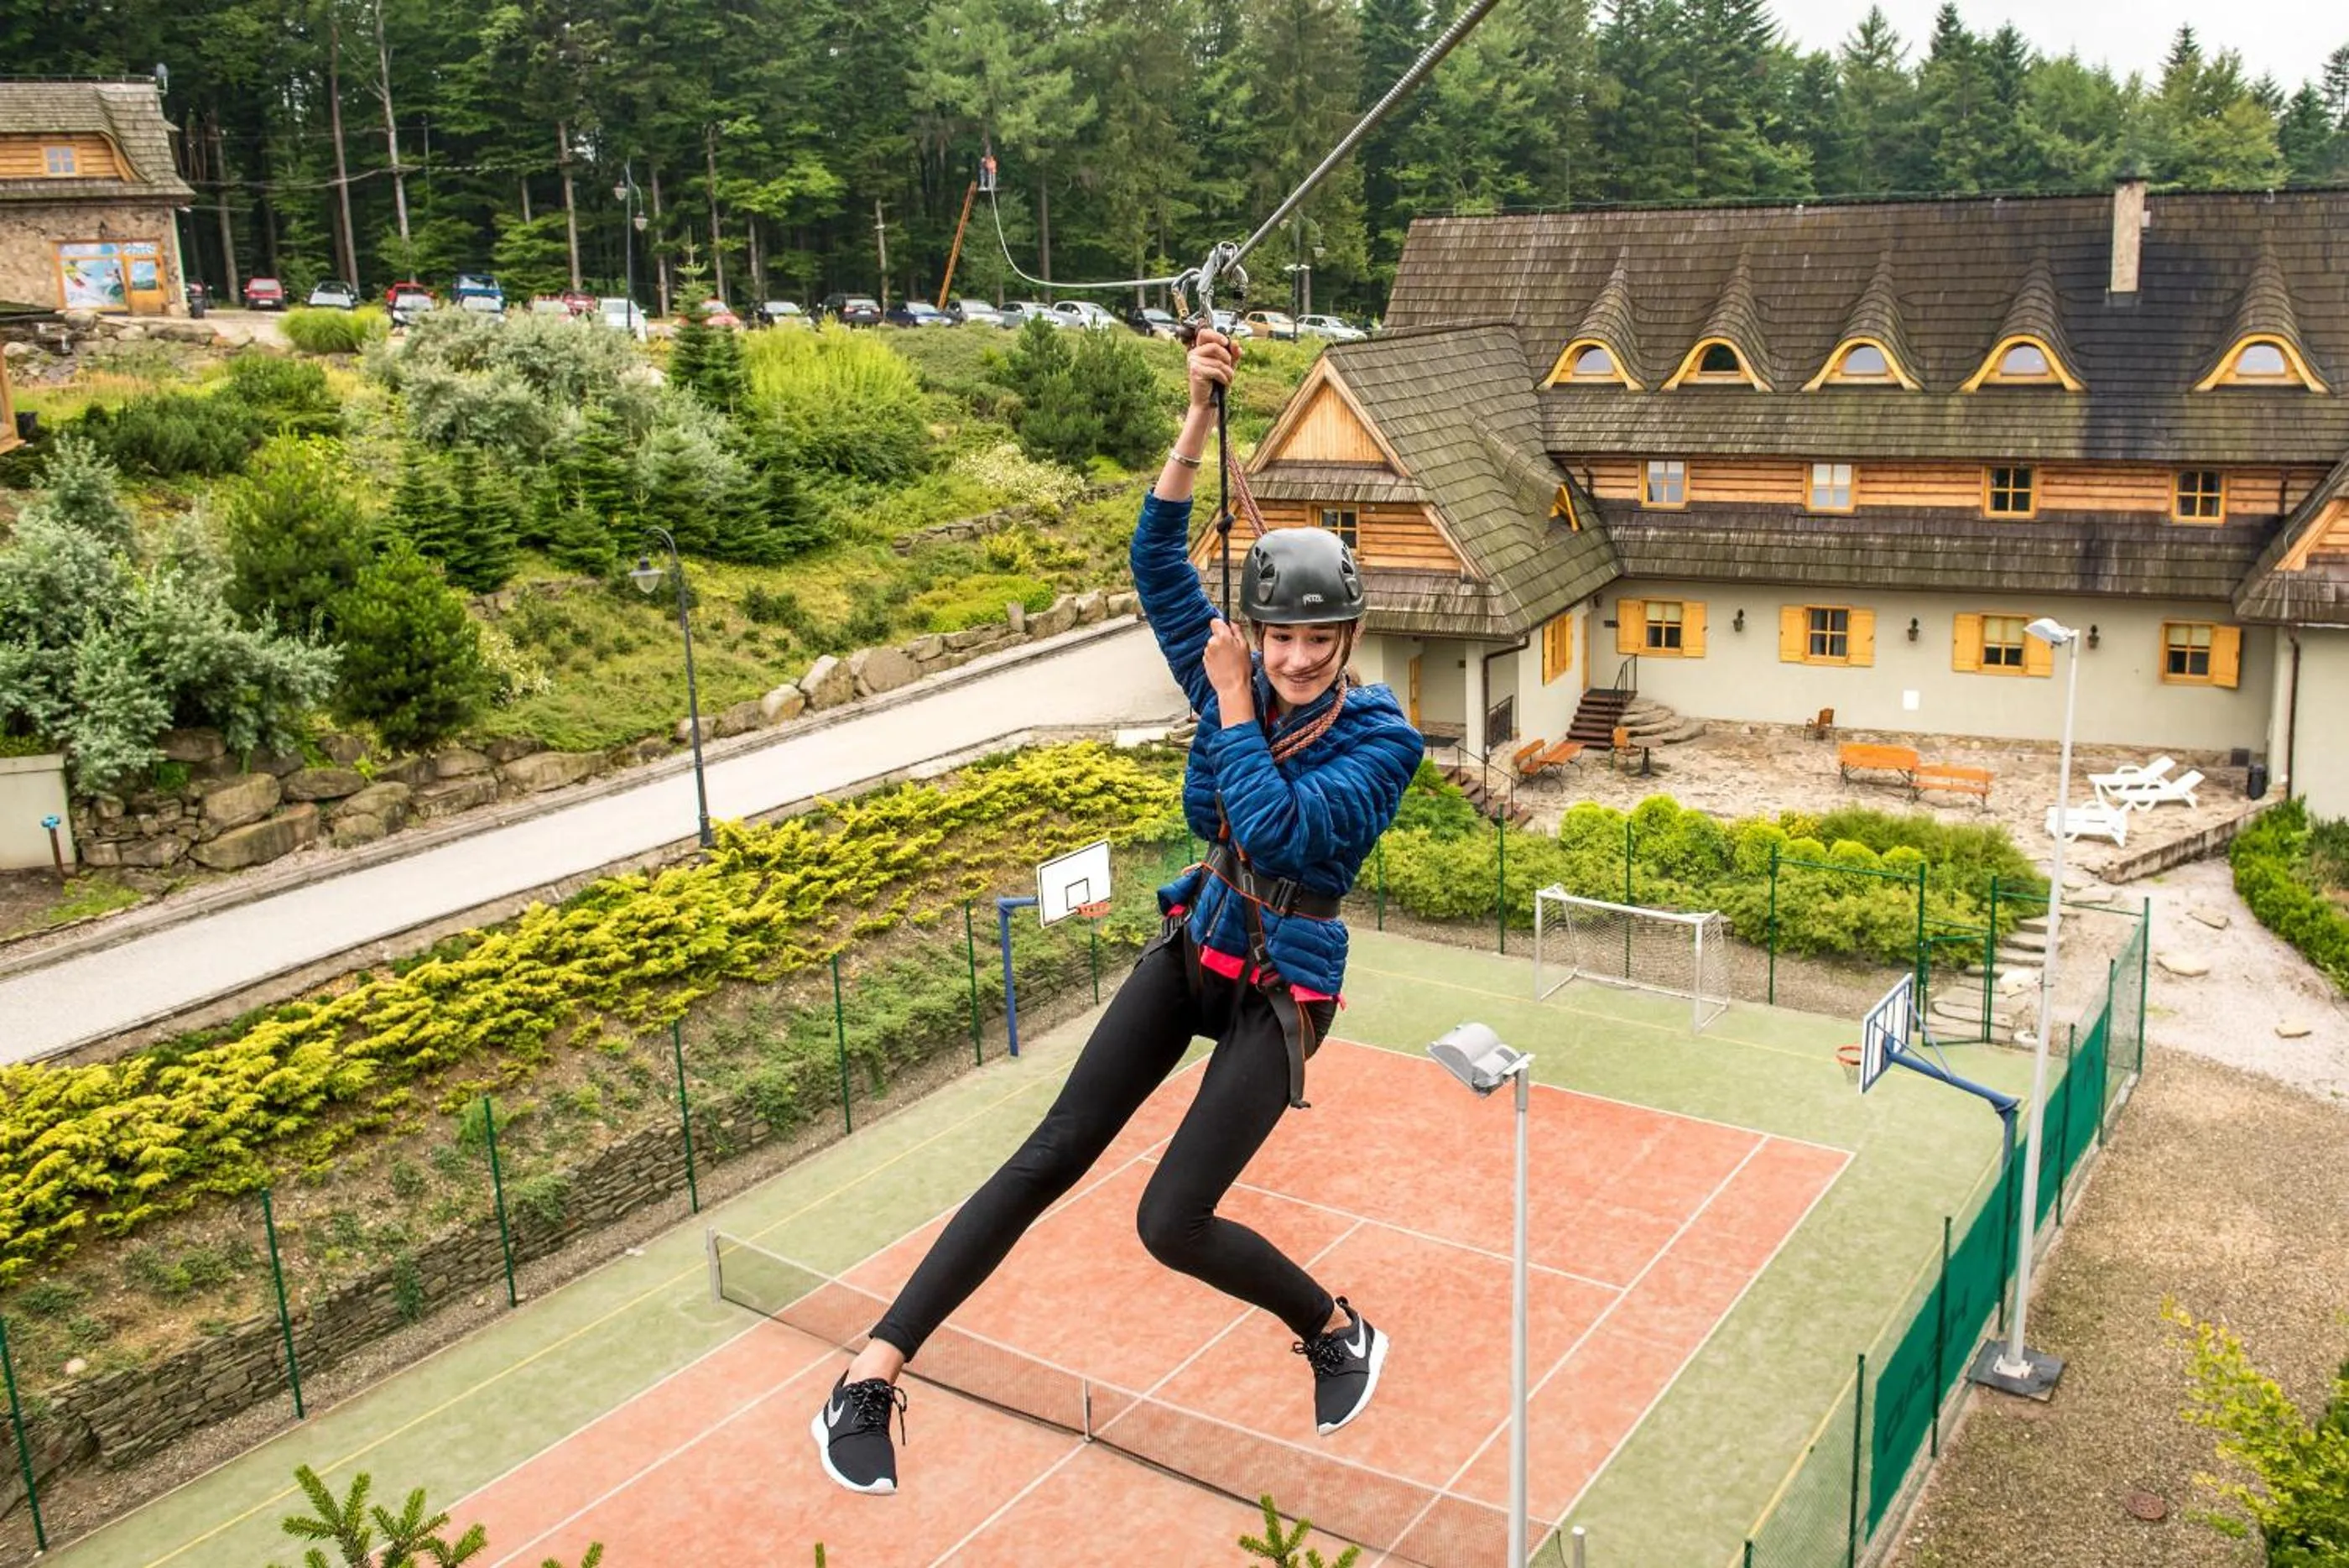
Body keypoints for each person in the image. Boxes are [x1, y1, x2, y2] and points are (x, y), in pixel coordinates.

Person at [811, 327, 1426, 1495]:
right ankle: (874, 1372)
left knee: (1170, 1221)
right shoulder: (1231, 665)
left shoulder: (1382, 739)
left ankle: (1335, 1329)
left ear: (1348, 639)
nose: (1295, 654)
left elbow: (1289, 836)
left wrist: (1235, 703)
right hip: (1201, 940)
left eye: (1318, 639)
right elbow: (1154, 560)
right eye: (1281, 634)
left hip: (1284, 988)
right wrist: (1197, 418)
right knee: (1048, 1153)